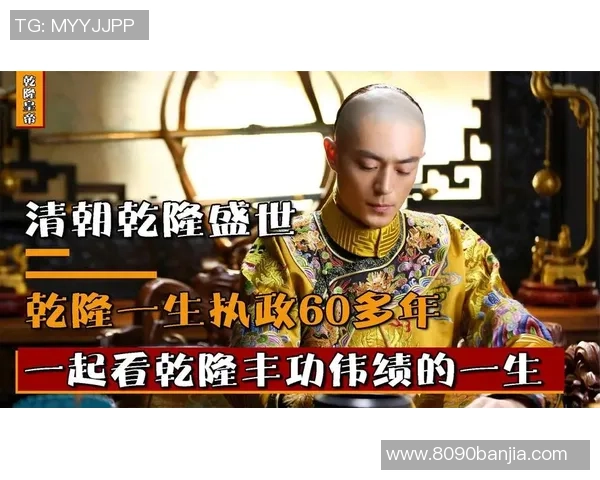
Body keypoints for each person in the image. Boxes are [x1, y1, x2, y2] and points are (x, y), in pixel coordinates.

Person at [228, 84, 559, 408]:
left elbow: (518, 332)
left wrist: (516, 398)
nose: (385, 187)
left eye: (404, 168)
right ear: (333, 154)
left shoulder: (455, 243)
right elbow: (261, 373)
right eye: (368, 166)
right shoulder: (281, 248)